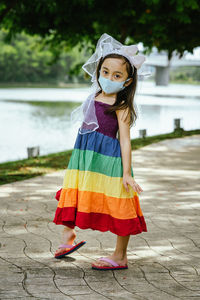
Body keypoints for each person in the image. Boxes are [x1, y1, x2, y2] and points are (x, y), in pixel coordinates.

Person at [53, 33, 147, 270]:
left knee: (119, 201)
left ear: (126, 82)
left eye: (117, 75)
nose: (109, 77)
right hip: (84, 157)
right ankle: (68, 238)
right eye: (105, 72)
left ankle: (120, 255)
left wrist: (127, 173)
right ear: (98, 72)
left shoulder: (122, 106)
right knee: (73, 192)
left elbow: (125, 141)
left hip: (109, 160)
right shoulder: (93, 95)